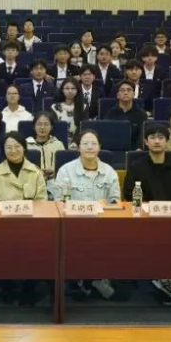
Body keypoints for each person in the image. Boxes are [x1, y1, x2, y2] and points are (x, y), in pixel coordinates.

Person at [124, 122, 171, 306]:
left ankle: (167, 277)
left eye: (161, 137)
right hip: (145, 219)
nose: (156, 141)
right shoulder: (137, 167)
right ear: (146, 142)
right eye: (152, 137)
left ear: (167, 141)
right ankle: (164, 278)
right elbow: (130, 195)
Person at [54, 128, 119, 300]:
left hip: (102, 226)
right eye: (85, 143)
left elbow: (115, 201)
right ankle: (81, 278)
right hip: (72, 226)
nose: (90, 147)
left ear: (99, 147)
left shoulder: (109, 172)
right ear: (78, 147)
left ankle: (96, 277)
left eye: (94, 143)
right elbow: (59, 202)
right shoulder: (65, 171)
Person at [0, 131, 46, 201]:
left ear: (24, 148)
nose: (13, 151)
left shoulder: (36, 172)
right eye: (9, 147)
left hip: (30, 208)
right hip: (2, 208)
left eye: (17, 146)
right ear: (3, 150)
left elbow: (41, 201)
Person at [105, 80, 147, 150]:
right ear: (118, 95)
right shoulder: (110, 113)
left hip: (135, 150)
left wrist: (139, 148)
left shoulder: (141, 114)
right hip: (114, 149)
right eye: (122, 90)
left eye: (129, 90)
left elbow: (143, 134)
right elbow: (107, 134)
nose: (126, 93)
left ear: (134, 94)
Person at [26, 112, 65, 183]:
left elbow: (64, 166)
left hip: (54, 181)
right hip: (32, 181)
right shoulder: (26, 145)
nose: (42, 127)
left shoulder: (58, 144)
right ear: (34, 127)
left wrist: (55, 172)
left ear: (51, 127)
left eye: (46, 124)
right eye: (39, 124)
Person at [51, 78, 87, 146]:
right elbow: (54, 128)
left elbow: (83, 128)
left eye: (73, 88)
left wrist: (74, 143)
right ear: (62, 90)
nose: (70, 91)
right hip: (59, 142)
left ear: (77, 90)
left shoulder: (83, 107)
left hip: (78, 143)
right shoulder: (54, 107)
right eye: (67, 88)